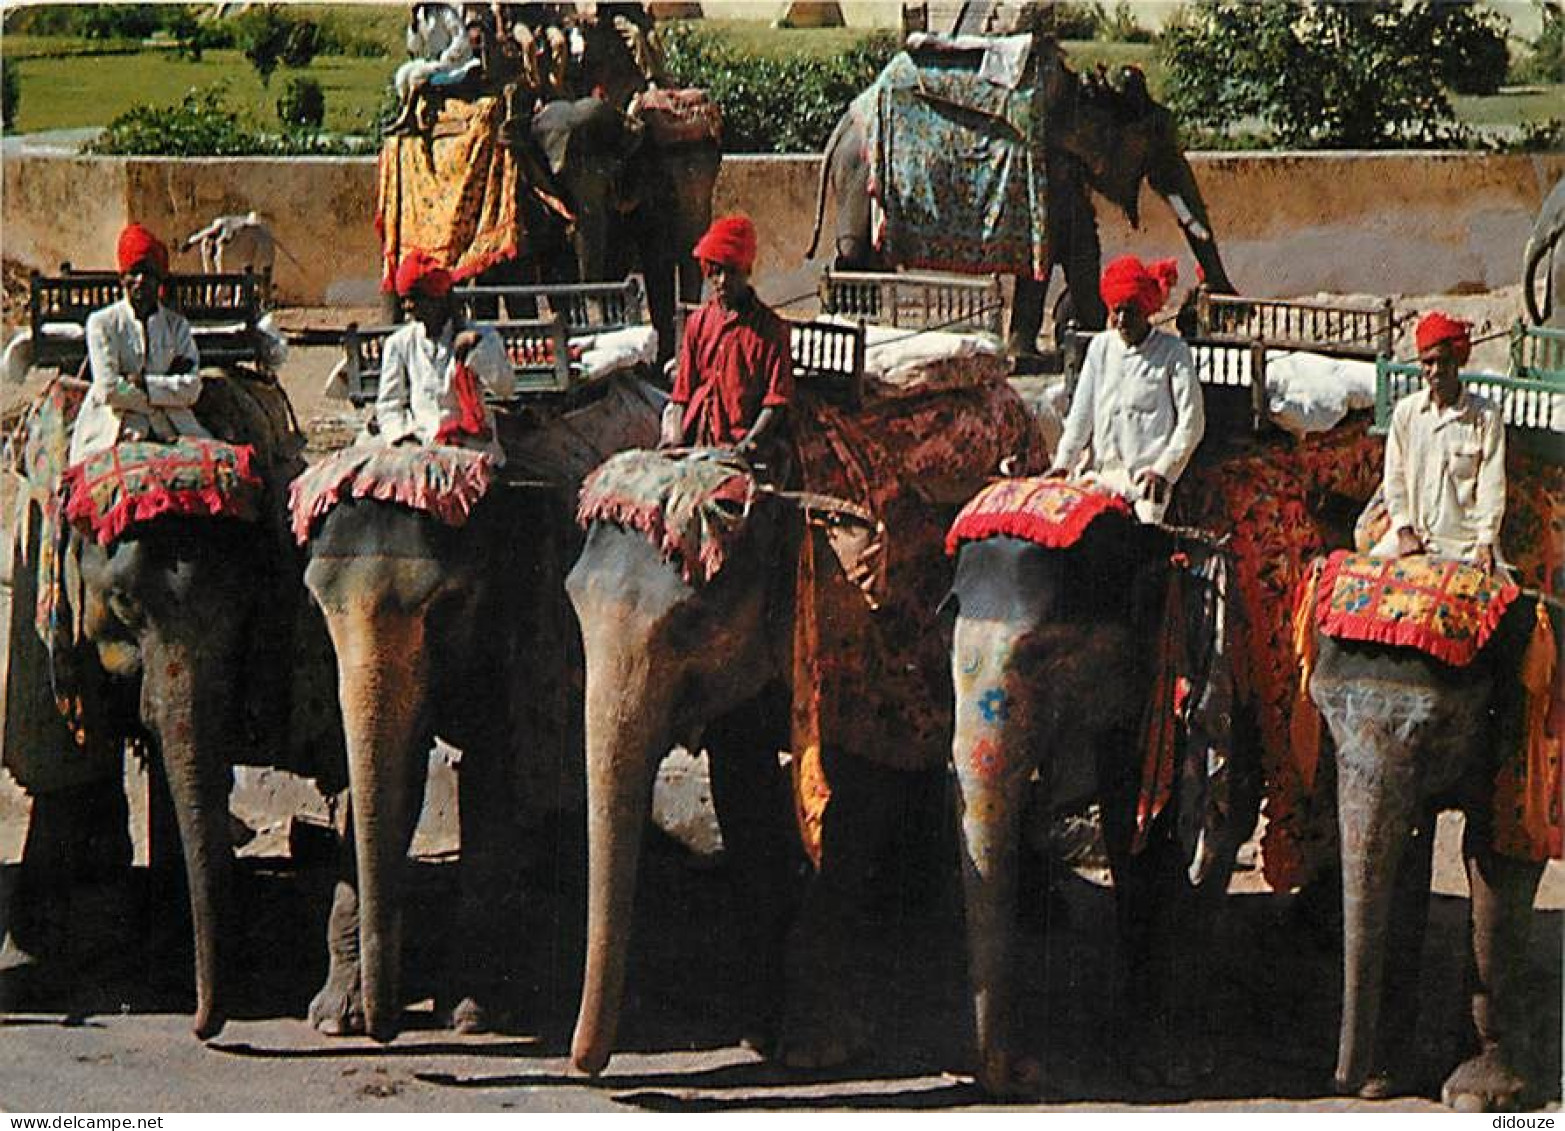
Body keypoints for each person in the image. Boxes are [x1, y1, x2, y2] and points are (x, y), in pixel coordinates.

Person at [1048, 254, 1205, 524]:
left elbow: (1192, 423)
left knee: (1142, 540)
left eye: (1129, 311)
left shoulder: (1173, 352)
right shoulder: (1101, 348)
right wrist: (1063, 464)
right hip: (1102, 477)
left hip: (1147, 482)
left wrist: (1163, 471)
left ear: (1145, 310)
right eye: (1116, 311)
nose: (1121, 320)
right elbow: (1080, 418)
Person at [1374, 311, 1505, 572]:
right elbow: (1395, 478)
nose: (1436, 371)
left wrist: (1485, 541)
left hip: (1464, 545)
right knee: (1358, 583)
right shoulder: (1407, 413)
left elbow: (1492, 482)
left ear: (1457, 361)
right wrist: (1403, 530)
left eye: (1443, 362)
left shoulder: (1485, 416)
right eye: (1428, 363)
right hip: (1413, 538)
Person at [661, 215, 794, 468]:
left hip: (741, 442)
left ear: (748, 271)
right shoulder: (698, 323)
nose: (722, 281)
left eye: (731, 272)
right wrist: (674, 439)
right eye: (716, 270)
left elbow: (776, 401)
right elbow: (682, 392)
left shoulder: (772, 330)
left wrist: (748, 445)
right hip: (696, 440)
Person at [69, 224, 206, 465]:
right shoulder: (102, 323)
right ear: (122, 278)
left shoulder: (177, 327)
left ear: (159, 280)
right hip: (116, 431)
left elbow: (192, 388)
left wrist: (145, 384)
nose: (141, 280)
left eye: (149, 273)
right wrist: (160, 397)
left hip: (176, 429)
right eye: (134, 272)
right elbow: (109, 389)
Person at [375, 251, 517, 462]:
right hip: (422, 447)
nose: (408, 308)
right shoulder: (400, 343)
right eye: (405, 301)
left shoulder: (483, 336)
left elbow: (505, 388)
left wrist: (476, 351)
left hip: (473, 449)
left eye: (416, 300)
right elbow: (389, 405)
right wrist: (403, 438)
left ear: (439, 299)